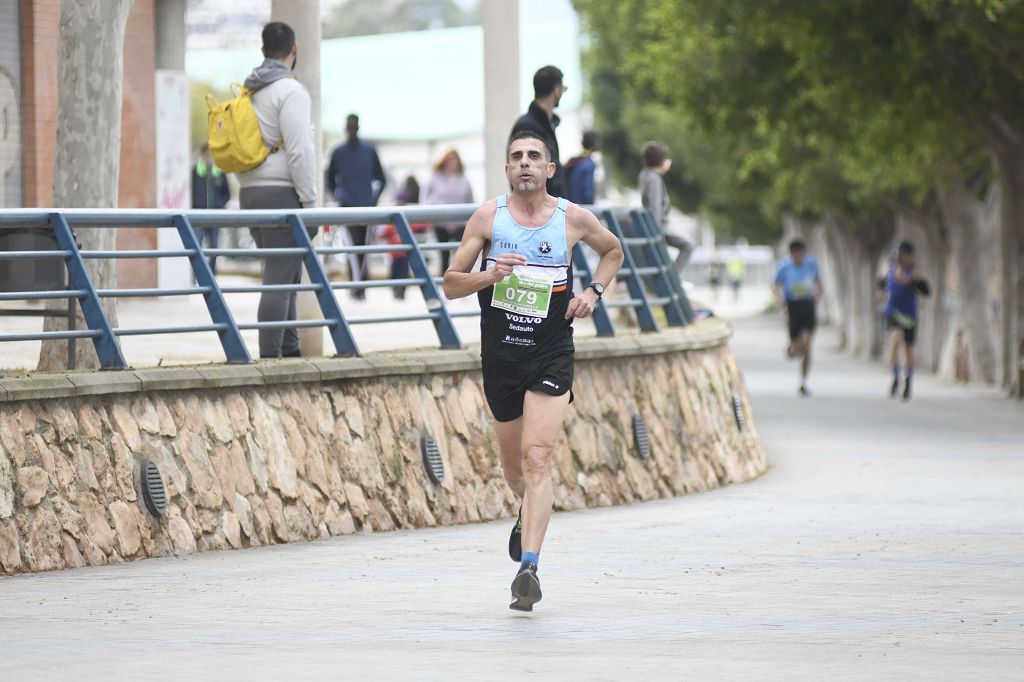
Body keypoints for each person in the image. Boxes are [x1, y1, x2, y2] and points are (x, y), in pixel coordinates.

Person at [442, 131, 623, 612]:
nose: (525, 163)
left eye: (534, 157)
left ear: (550, 169)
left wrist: (592, 294)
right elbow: (450, 284)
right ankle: (526, 513)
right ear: (506, 170)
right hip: (502, 356)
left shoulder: (573, 218)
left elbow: (613, 251)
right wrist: (491, 274)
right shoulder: (488, 217)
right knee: (516, 469)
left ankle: (529, 568)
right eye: (516, 157)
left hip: (551, 352)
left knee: (538, 457)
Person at [236, 22, 318, 359]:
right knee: (279, 278)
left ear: (263, 51)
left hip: (250, 192)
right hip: (282, 193)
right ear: (294, 49)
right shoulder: (290, 91)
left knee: (284, 272)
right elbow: (300, 151)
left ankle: (290, 350)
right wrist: (311, 201)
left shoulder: (249, 90)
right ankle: (271, 361)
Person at [326, 114, 386, 300]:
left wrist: (373, 200)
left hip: (366, 208)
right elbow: (329, 179)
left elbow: (381, 178)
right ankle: (355, 285)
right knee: (351, 247)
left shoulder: (369, 151)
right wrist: (338, 195)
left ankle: (362, 287)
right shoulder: (338, 152)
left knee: (365, 247)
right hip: (348, 207)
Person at [773, 239, 823, 396]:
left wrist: (817, 293)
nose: (798, 257)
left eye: (800, 253)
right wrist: (780, 298)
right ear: (791, 254)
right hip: (793, 307)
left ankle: (803, 381)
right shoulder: (784, 267)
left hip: (808, 306)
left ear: (804, 253)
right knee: (798, 349)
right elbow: (775, 286)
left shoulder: (811, 264)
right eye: (794, 254)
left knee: (807, 348)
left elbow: (819, 283)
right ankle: (792, 347)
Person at [880, 241, 929, 401]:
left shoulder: (914, 274)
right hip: (892, 312)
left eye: (905, 255)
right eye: (899, 255)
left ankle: (908, 380)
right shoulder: (890, 272)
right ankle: (895, 376)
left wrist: (917, 280)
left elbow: (926, 291)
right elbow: (881, 286)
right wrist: (880, 292)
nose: (901, 258)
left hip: (909, 315)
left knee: (908, 349)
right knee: (894, 340)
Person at [510, 66, 567, 198]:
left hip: (548, 211)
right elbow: (521, 175)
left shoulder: (545, 124)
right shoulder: (528, 125)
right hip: (538, 213)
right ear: (557, 90)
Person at [639, 141, 694, 271]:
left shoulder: (644, 174)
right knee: (689, 245)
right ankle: (673, 278)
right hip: (659, 227)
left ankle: (672, 277)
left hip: (653, 225)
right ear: (662, 161)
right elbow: (655, 207)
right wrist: (656, 233)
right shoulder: (653, 179)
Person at [423, 149, 474, 274]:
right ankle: (444, 278)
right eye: (449, 160)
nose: (452, 163)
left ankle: (457, 277)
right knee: (443, 253)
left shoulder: (464, 179)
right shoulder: (435, 177)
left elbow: (470, 199)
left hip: (460, 223)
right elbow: (424, 196)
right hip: (440, 222)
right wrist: (429, 214)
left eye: (454, 160)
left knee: (459, 253)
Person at [378, 176, 429, 300]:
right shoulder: (392, 226)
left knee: (402, 273)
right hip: (395, 254)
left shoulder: (407, 224)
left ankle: (401, 292)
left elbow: (423, 226)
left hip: (403, 254)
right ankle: (396, 290)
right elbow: (381, 234)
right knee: (395, 273)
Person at [191, 143, 230, 274]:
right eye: (206, 153)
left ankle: (212, 272)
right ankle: (198, 273)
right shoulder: (195, 172)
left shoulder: (219, 173)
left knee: (214, 245)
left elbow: (226, 193)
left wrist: (220, 205)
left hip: (215, 216)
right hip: (198, 216)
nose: (209, 156)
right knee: (197, 245)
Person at [564, 130, 600, 205]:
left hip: (570, 205)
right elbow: (588, 193)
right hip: (582, 208)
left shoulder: (576, 161)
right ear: (594, 143)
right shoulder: (588, 164)